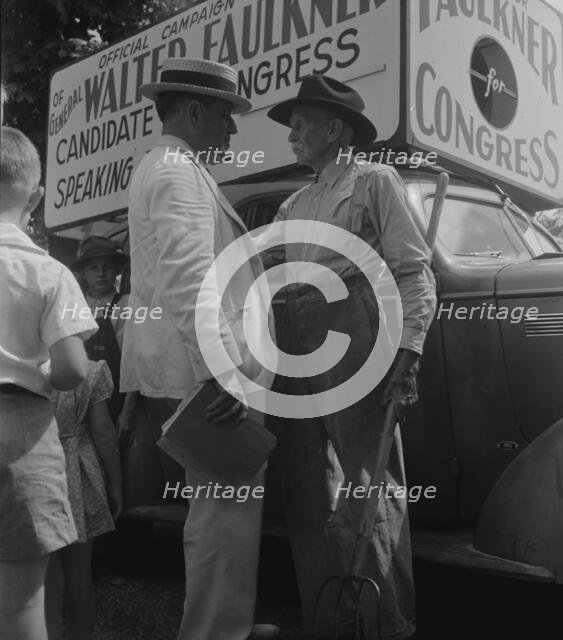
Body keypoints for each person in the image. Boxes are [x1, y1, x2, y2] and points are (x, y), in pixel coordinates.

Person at [260, 75, 437, 639]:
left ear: (333, 128)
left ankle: (388, 624)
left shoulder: (375, 182)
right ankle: (328, 620)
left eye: (301, 122)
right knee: (307, 486)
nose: (292, 133)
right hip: (294, 338)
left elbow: (414, 272)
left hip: (353, 335)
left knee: (369, 485)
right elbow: (267, 276)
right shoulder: (292, 204)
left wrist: (408, 350)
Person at [120, 58, 278, 640]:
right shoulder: (176, 173)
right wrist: (226, 372)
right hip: (209, 372)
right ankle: (215, 632)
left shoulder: (169, 167)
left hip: (201, 368)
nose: (233, 129)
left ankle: (224, 621)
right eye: (225, 115)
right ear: (193, 111)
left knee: (222, 510)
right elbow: (190, 280)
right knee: (224, 515)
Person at [0, 126, 98, 640]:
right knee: (22, 601)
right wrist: (40, 372)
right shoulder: (49, 272)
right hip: (22, 431)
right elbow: (74, 369)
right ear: (35, 198)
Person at [46, 359, 122, 640]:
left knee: (43, 574)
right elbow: (102, 430)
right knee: (79, 575)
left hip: (35, 466)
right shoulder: (91, 370)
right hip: (76, 474)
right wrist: (116, 483)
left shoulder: (20, 367)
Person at [71, 236, 137, 447]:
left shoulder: (126, 305)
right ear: (83, 273)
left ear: (117, 271)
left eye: (107, 267)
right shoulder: (74, 305)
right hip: (80, 404)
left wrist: (127, 412)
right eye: (93, 268)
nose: (100, 273)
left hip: (115, 403)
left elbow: (134, 361)